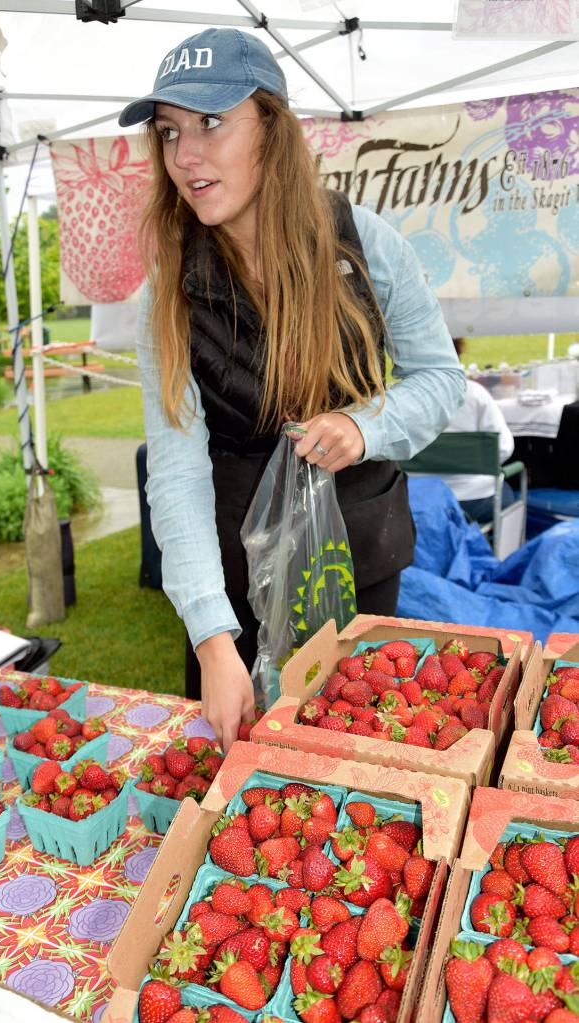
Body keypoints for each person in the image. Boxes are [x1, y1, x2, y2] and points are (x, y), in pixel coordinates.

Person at [120, 27, 465, 751]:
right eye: (170, 131)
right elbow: (178, 471)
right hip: (235, 591)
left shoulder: (365, 244)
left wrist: (368, 425)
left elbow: (439, 380)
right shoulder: (171, 291)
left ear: (272, 128)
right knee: (241, 788)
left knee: (358, 762)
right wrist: (214, 638)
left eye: (211, 122)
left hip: (360, 567)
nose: (186, 156)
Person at [441, 338, 515, 523]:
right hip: (473, 499)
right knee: (510, 493)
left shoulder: (403, 398)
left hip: (418, 498)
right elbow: (504, 447)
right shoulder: (475, 393)